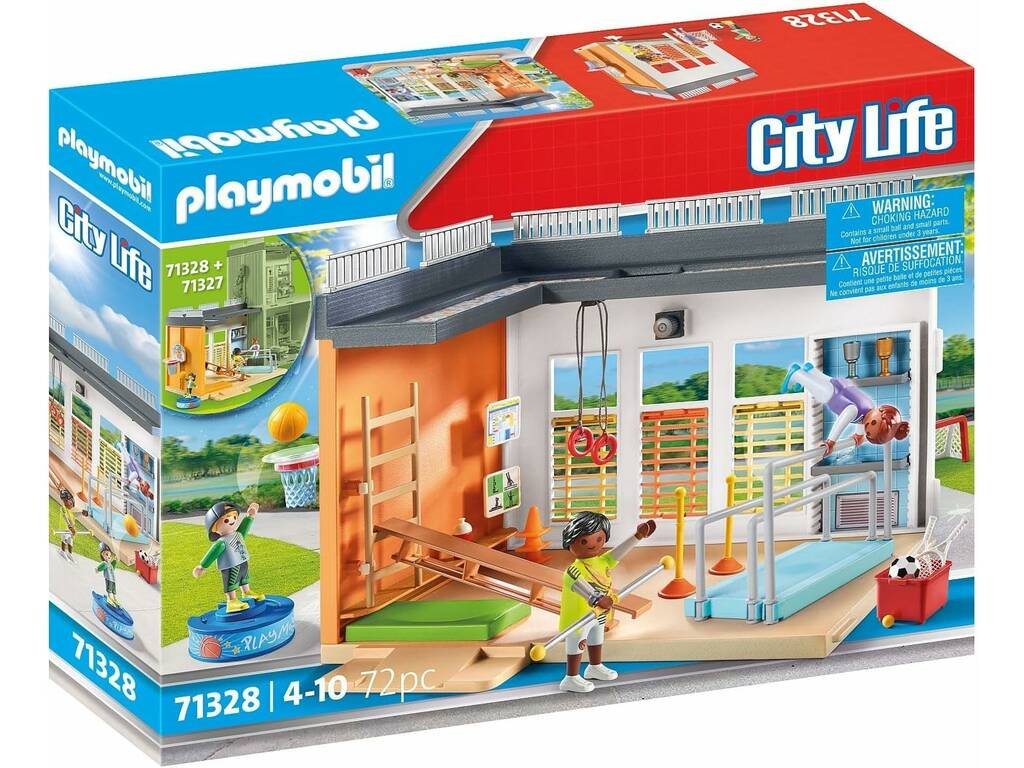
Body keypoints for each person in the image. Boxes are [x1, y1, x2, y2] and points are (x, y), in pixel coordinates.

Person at [558, 512, 656, 693]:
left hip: (599, 614)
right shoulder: (573, 571)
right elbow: (582, 587)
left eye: (599, 539)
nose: (593, 544)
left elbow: (618, 553)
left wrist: (637, 536)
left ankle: (594, 667)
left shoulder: (602, 561)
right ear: (570, 542)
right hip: (579, 617)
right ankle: (571, 677)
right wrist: (598, 598)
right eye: (584, 541)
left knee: (596, 638)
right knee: (578, 644)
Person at [782, 363, 910, 456]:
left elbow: (863, 421)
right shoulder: (853, 411)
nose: (867, 427)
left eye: (868, 433)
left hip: (842, 386)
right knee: (821, 392)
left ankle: (810, 372)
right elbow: (841, 423)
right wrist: (831, 442)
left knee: (822, 380)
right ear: (880, 411)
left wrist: (859, 435)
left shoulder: (870, 407)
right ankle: (797, 374)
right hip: (833, 395)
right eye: (873, 424)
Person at [193, 501, 265, 613]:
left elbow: (244, 529)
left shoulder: (237, 534)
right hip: (230, 565)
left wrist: (250, 517)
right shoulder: (221, 542)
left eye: (234, 517)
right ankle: (231, 601)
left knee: (244, 577)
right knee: (231, 581)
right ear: (214, 528)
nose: (232, 521)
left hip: (242, 560)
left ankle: (246, 592)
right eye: (226, 520)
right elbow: (212, 553)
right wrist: (202, 566)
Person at [96, 543, 120, 607]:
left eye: (109, 555)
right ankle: (110, 599)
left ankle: (115, 599)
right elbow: (101, 566)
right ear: (102, 555)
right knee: (109, 590)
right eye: (106, 554)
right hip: (108, 579)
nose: (109, 556)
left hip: (113, 580)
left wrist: (115, 560)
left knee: (113, 590)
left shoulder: (110, 564)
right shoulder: (105, 563)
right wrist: (97, 569)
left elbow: (113, 568)